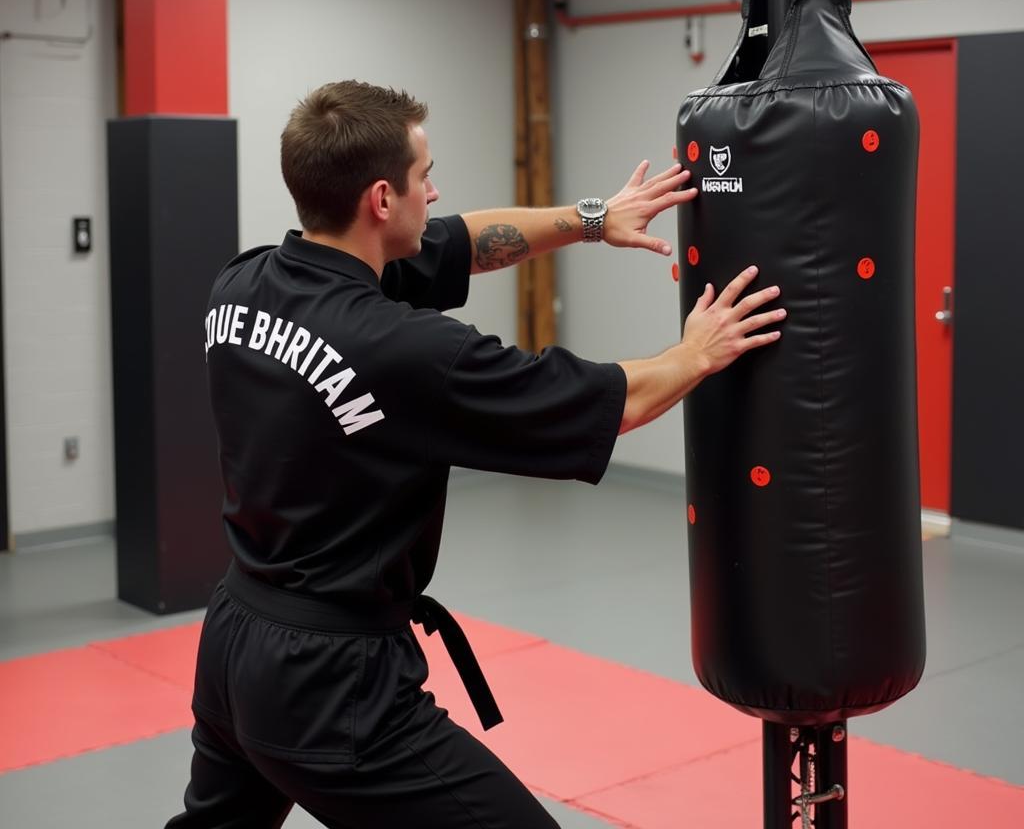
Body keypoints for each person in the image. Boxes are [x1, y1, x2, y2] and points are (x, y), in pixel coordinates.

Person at [168, 80, 785, 829]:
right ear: (382, 201)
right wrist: (696, 353)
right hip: (331, 683)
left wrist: (595, 220)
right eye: (425, 175)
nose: (437, 189)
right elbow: (607, 403)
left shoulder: (242, 285)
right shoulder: (403, 351)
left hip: (235, 637)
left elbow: (460, 239)